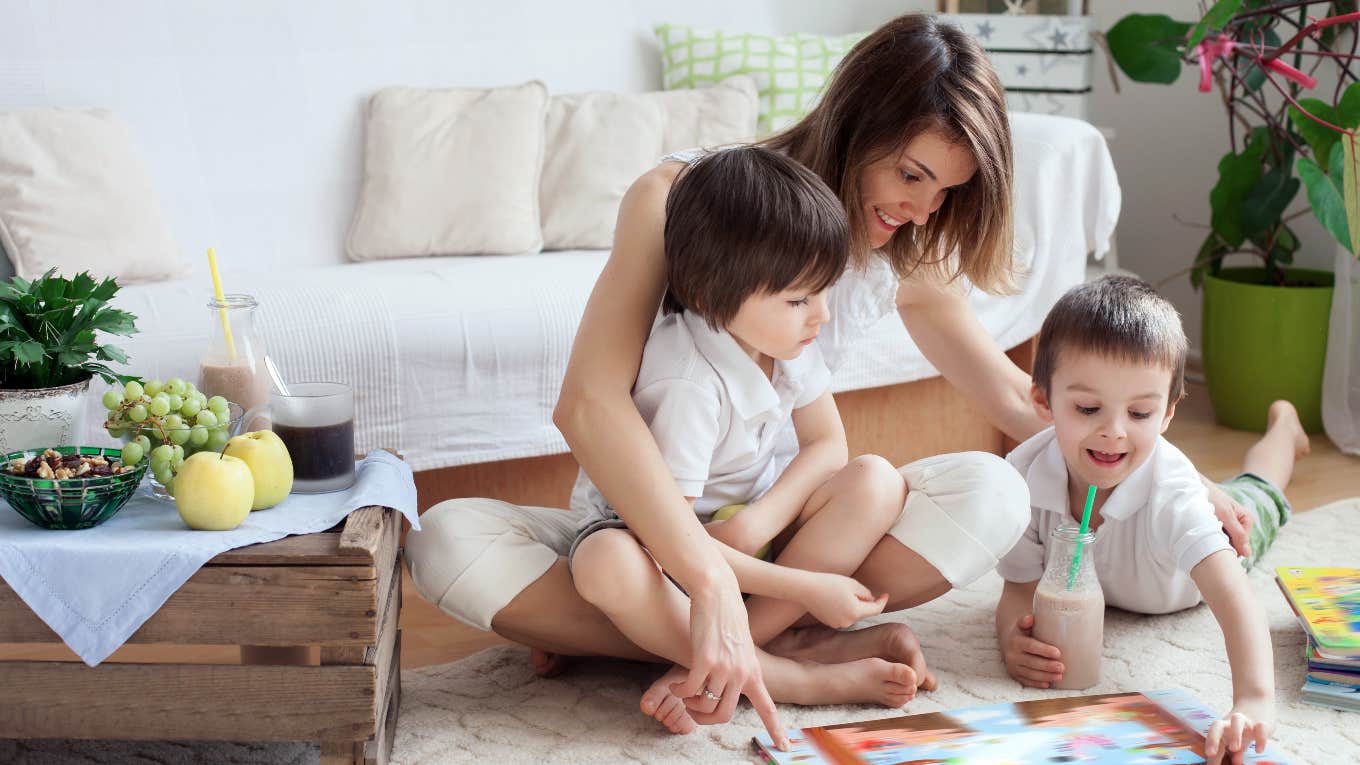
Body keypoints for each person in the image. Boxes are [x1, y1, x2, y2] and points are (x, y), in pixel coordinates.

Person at [405, 12, 1247, 742]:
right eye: (911, 174)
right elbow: (589, 404)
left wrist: (1177, 469)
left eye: (946, 192)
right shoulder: (684, 200)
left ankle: (661, 641)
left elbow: (1002, 392)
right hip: (655, 527)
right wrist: (704, 575)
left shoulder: (903, 244)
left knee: (992, 491)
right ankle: (777, 655)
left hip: (779, 536)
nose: (921, 209)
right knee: (444, 541)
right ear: (855, 122)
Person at [568, 147, 934, 745]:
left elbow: (828, 444)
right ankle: (799, 679)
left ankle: (741, 649)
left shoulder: (787, 340)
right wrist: (807, 588)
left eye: (824, 292)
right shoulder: (687, 382)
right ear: (716, 298)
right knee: (605, 564)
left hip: (739, 539)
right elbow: (669, 540)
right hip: (662, 548)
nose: (821, 316)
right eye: (799, 300)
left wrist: (758, 521)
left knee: (875, 479)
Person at [994, 276, 1306, 763]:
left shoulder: (1175, 497)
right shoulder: (1022, 479)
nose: (1113, 432)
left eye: (1140, 412)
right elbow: (1017, 588)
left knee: (1258, 494)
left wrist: (1253, 702)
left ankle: (1284, 433)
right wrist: (1013, 635)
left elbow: (1235, 599)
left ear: (1167, 414)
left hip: (1198, 571)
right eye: (1088, 408)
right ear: (1042, 400)